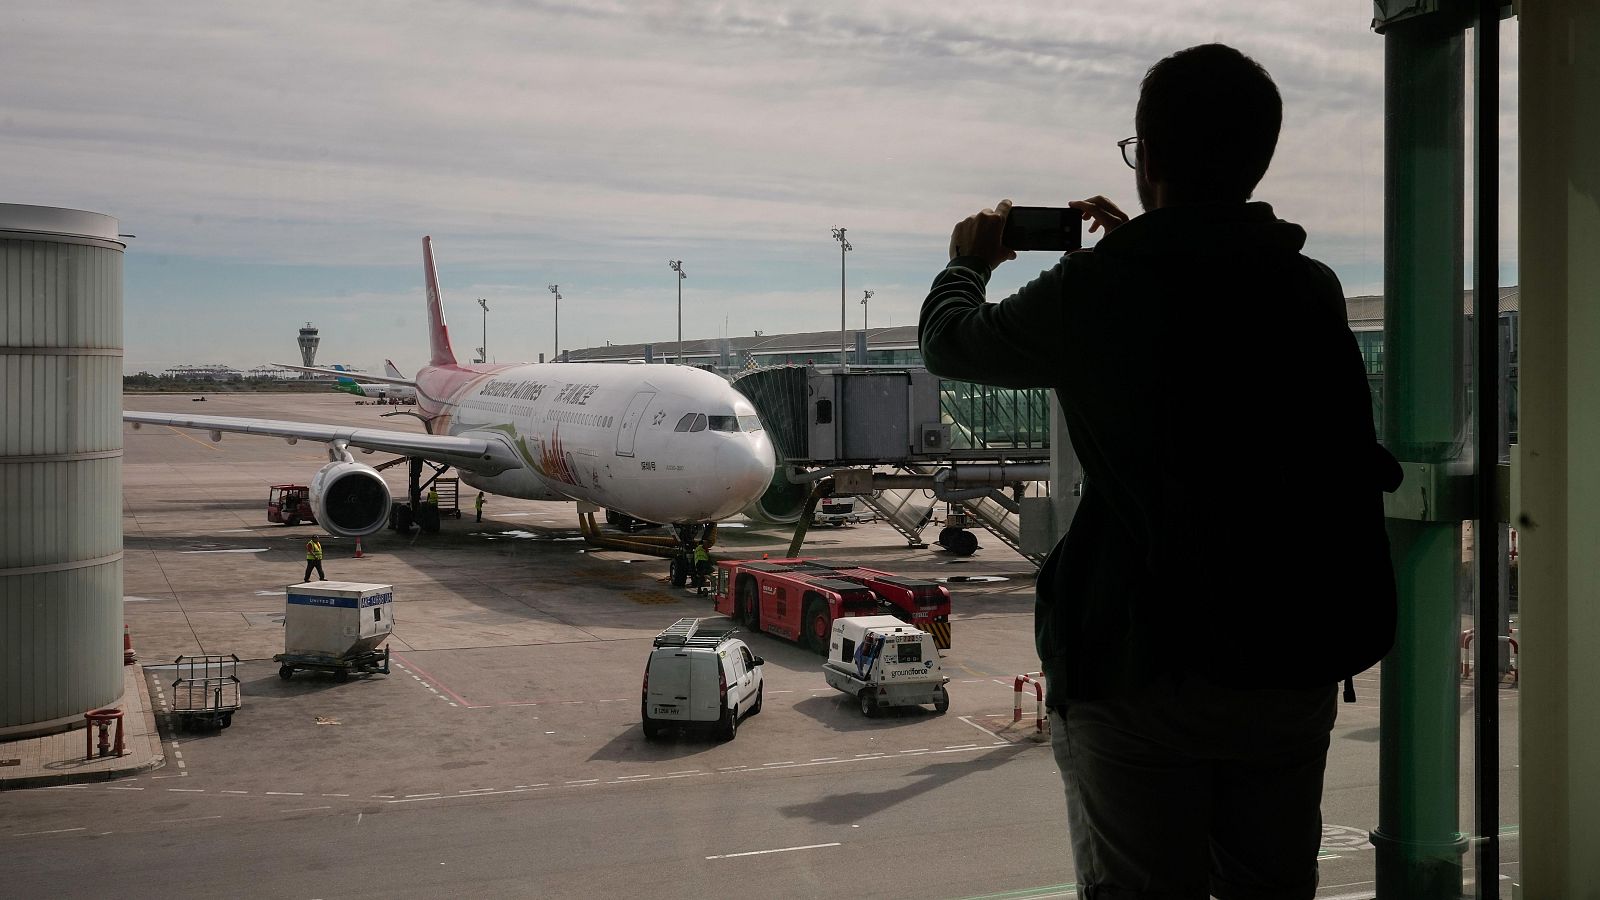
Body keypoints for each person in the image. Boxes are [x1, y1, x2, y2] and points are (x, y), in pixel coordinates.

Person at [918, 44, 1400, 900]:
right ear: (1259, 158)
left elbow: (951, 344)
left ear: (1147, 159)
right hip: (1285, 659)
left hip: (1138, 665)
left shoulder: (1095, 292)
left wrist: (968, 263)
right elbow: (1209, 313)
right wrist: (1147, 245)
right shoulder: (1308, 291)